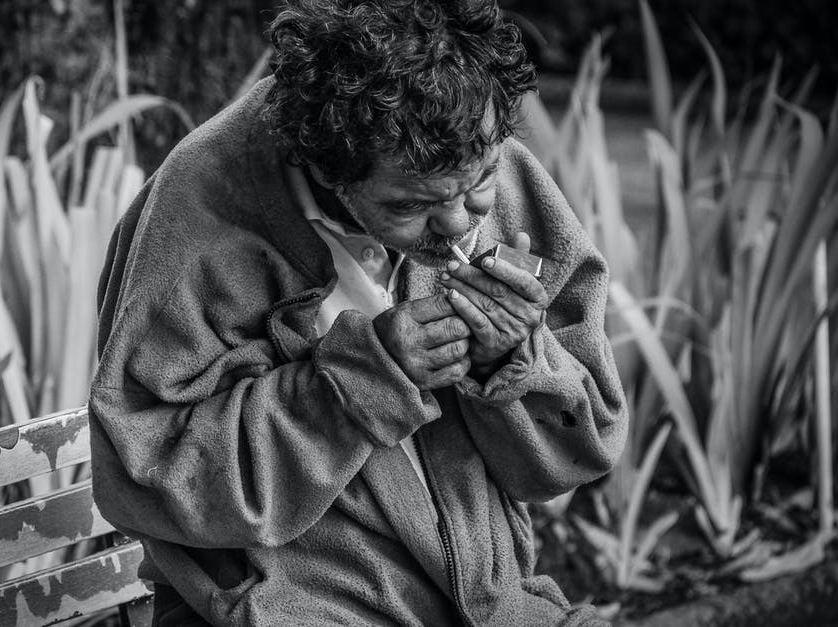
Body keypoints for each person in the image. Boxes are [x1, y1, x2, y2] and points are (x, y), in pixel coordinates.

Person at [89, 0, 627, 624]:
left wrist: (517, 360)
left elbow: (585, 447)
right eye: (411, 205)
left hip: (494, 608)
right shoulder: (198, 213)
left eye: (480, 181)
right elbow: (147, 477)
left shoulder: (477, 153)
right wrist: (359, 381)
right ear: (325, 167)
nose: (460, 223)